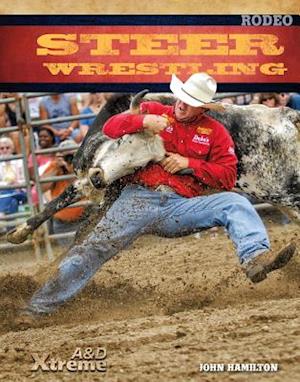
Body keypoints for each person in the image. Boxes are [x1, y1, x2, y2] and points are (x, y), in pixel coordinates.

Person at [22, 73, 296, 317]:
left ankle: (255, 258)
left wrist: (191, 165)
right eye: (181, 97)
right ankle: (38, 307)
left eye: (190, 101)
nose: (181, 104)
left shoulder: (216, 133)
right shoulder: (155, 111)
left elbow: (228, 176)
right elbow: (110, 128)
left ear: (204, 107)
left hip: (181, 208)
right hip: (137, 199)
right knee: (92, 249)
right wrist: (141, 119)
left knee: (235, 202)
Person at [39, 139, 83, 244]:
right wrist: (57, 167)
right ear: (60, 156)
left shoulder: (83, 162)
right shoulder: (55, 165)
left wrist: (71, 167)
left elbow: (79, 185)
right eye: (66, 155)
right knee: (68, 254)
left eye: (72, 154)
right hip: (62, 224)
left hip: (85, 218)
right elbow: (41, 188)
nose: (70, 158)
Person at [0, 137, 27, 216]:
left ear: (12, 149)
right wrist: (8, 184)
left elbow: (25, 179)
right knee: (13, 202)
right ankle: (11, 227)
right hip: (3, 192)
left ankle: (1, 215)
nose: (4, 150)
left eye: (7, 148)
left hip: (20, 191)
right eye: (1, 148)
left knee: (8, 193)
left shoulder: (19, 160)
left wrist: (17, 183)